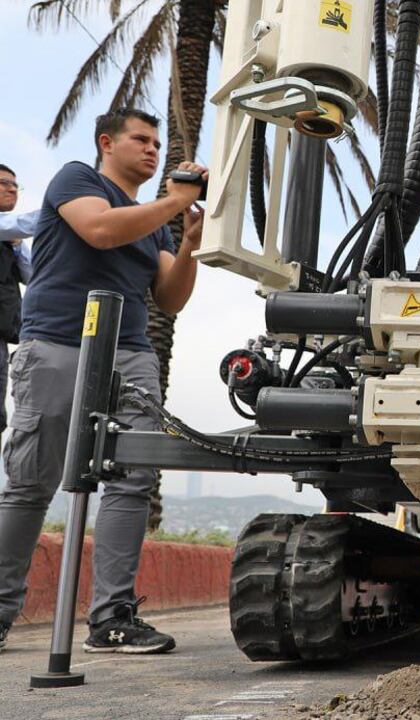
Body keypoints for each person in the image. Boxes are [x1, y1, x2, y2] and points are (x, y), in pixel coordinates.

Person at [0, 108, 205, 655]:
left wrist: (186, 243)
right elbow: (99, 230)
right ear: (106, 142)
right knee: (32, 481)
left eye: (157, 143)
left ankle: (112, 618)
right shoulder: (77, 179)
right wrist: (173, 202)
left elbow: (170, 298)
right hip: (60, 343)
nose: (152, 150)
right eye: (141, 139)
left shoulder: (156, 221)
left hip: (132, 353)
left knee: (134, 477)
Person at [0, 164, 38, 438]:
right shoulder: (9, 227)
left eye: (15, 184)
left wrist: (16, 245)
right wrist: (59, 211)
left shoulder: (10, 239)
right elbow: (25, 223)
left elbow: (35, 275)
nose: (12, 189)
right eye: (4, 183)